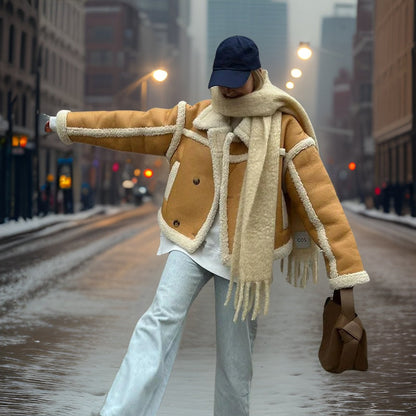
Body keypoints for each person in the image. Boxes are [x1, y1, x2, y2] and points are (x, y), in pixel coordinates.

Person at [44, 35, 369, 416]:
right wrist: (64, 123)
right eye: (221, 79)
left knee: (235, 360)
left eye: (236, 79)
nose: (228, 89)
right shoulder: (194, 118)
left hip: (245, 254)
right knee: (159, 321)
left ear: (256, 75)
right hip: (190, 242)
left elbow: (320, 201)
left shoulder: (284, 130)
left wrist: (343, 269)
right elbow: (131, 127)